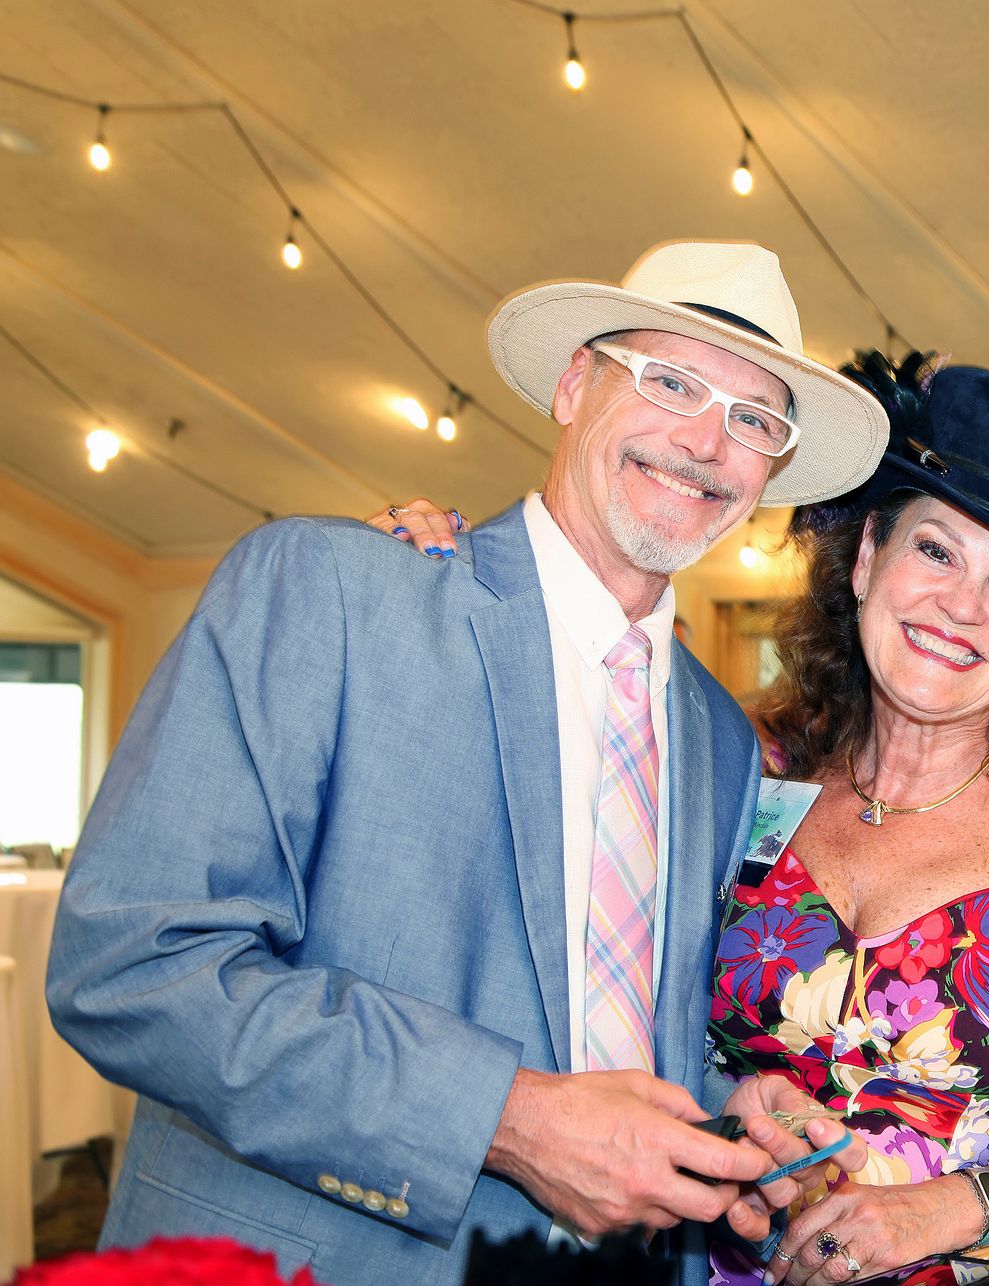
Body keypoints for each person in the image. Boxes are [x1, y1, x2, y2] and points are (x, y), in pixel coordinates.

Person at [45, 241, 884, 1286]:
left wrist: (719, 1113)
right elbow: (133, 965)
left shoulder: (719, 735)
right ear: (576, 383)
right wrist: (507, 1117)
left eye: (757, 419)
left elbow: (598, 1025)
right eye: (671, 381)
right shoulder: (338, 592)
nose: (709, 439)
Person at [375, 352, 989, 1285]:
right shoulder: (733, 763)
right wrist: (425, 592)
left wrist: (942, 1211)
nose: (962, 607)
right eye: (935, 551)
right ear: (868, 560)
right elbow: (515, 816)